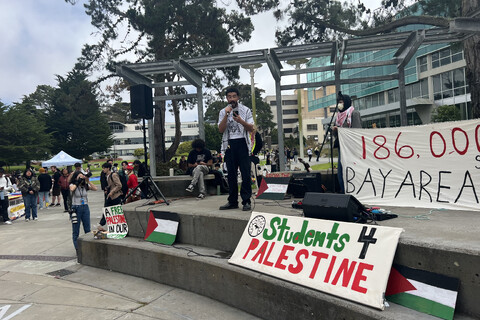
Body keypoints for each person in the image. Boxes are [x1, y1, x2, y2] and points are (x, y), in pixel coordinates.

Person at [217, 87, 254, 211]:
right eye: (229, 96)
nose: (232, 99)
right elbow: (221, 129)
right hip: (229, 144)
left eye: (234, 96)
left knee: (245, 173)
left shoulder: (246, 110)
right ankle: (232, 201)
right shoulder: (223, 111)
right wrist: (226, 115)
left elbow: (251, 128)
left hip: (242, 143)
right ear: (226, 98)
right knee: (231, 175)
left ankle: (246, 201)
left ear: (238, 97)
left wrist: (241, 121)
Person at [332, 92, 362, 193]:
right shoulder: (338, 116)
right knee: (340, 173)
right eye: (338, 102)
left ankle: (352, 194)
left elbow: (357, 131)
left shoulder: (354, 113)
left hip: (351, 148)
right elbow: (336, 135)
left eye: (341, 102)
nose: (340, 104)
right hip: (342, 147)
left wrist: (341, 129)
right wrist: (335, 131)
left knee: (350, 172)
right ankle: (345, 192)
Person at [69, 170, 97, 250]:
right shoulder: (73, 184)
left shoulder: (85, 186)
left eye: (82, 176)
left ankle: (88, 247)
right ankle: (78, 249)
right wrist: (78, 181)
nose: (82, 178)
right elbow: (72, 188)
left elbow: (95, 188)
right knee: (76, 230)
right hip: (76, 208)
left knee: (87, 229)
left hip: (85, 207)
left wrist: (88, 181)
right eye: (80, 176)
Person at [98, 162, 124, 228]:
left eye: (104, 168)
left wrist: (112, 191)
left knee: (116, 212)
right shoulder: (106, 176)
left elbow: (119, 185)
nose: (103, 170)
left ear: (108, 168)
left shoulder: (113, 175)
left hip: (115, 196)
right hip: (109, 196)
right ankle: (101, 224)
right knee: (106, 209)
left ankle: (119, 227)